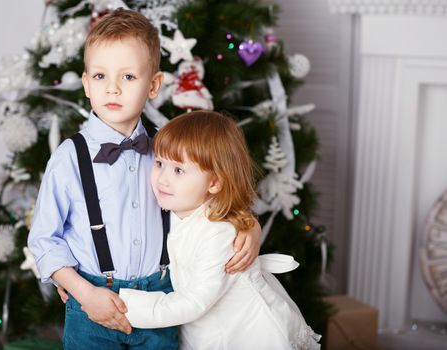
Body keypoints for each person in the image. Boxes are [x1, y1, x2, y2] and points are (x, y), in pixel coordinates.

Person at [27, 9, 261, 350]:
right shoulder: (68, 158)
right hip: (93, 299)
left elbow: (210, 203)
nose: (113, 89)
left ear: (153, 85)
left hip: (162, 296)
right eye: (101, 76)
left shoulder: (168, 151)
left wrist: (249, 226)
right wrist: (83, 291)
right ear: (86, 84)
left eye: (128, 77)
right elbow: (44, 239)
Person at [119, 111, 321, 350]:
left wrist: (124, 305)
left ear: (214, 182)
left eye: (178, 171)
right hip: (205, 329)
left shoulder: (219, 233)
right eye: (160, 163)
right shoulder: (176, 206)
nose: (162, 179)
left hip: (244, 335)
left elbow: (194, 301)